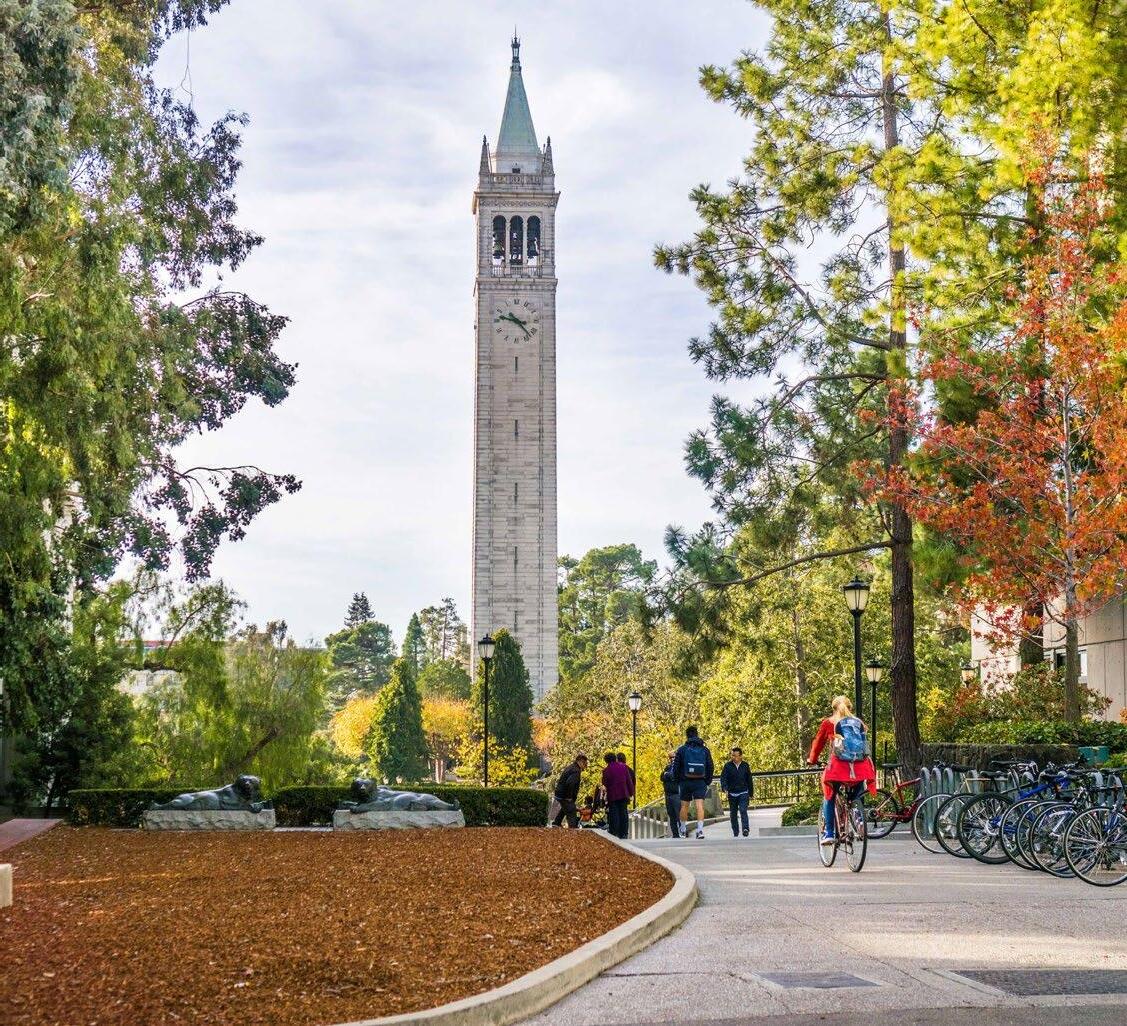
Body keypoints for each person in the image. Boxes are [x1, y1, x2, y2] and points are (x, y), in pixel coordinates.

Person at [807, 694, 878, 845]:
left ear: (833, 708)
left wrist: (812, 760)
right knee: (856, 795)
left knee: (829, 796)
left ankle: (829, 833)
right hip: (860, 768)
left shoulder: (829, 723)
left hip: (838, 769)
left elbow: (818, 744)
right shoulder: (859, 723)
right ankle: (858, 817)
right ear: (850, 707)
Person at [673, 725, 714, 840]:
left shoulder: (682, 749)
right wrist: (707, 780)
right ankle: (700, 831)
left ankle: (682, 830)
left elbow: (676, 767)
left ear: (687, 736)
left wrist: (678, 780)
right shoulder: (705, 750)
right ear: (697, 734)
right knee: (699, 806)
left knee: (684, 806)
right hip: (700, 781)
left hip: (685, 781)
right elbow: (710, 766)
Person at [720, 746, 753, 837]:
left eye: (735, 755)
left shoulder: (745, 765)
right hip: (732, 793)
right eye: (732, 755)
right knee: (733, 813)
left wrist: (751, 793)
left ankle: (745, 829)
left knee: (743, 810)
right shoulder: (727, 766)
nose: (733, 757)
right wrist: (725, 788)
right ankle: (735, 831)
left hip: (743, 792)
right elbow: (723, 778)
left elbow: (749, 779)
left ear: (740, 756)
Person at [601, 751, 634, 839]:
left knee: (614, 814)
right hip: (624, 794)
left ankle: (615, 832)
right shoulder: (624, 767)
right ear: (615, 758)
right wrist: (631, 792)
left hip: (613, 796)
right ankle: (624, 833)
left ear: (606, 761)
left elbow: (605, 783)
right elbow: (629, 781)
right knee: (623, 813)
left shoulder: (606, 770)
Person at [551, 753, 588, 828]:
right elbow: (570, 783)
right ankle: (573, 829)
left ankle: (556, 823)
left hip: (560, 793)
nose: (585, 766)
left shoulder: (571, 767)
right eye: (585, 763)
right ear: (580, 761)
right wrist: (569, 797)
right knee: (571, 810)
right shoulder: (576, 771)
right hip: (565, 795)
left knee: (565, 808)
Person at [660, 751, 681, 838]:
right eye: (671, 758)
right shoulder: (667, 767)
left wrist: (667, 775)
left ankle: (682, 832)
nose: (672, 759)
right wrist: (667, 775)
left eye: (674, 757)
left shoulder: (680, 767)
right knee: (671, 815)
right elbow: (661, 777)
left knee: (679, 815)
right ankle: (675, 834)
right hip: (668, 794)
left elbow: (674, 776)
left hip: (677, 794)